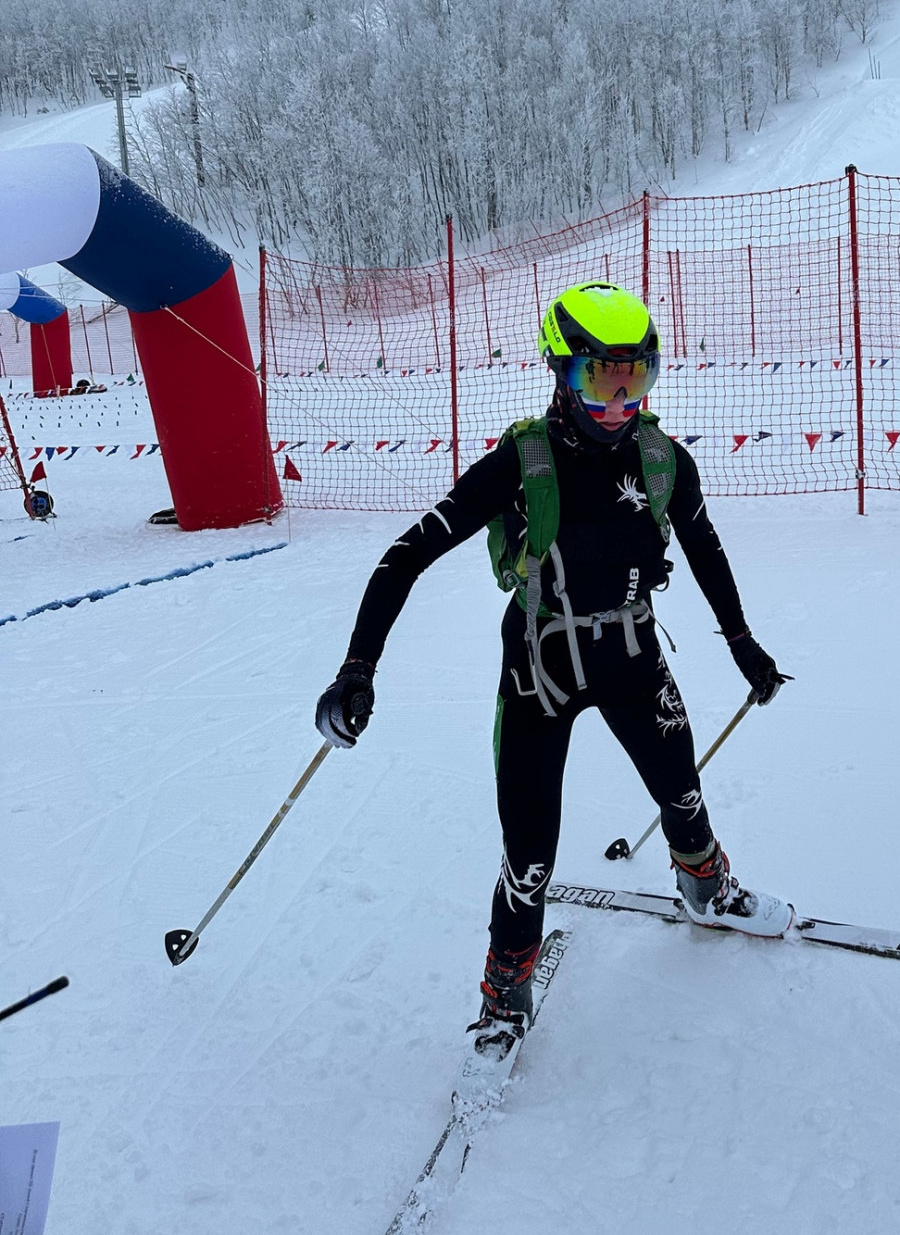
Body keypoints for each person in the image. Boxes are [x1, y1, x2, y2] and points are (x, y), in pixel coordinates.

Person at [314, 281, 789, 1048]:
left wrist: (741, 643)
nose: (620, 400)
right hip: (541, 669)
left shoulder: (664, 460)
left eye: (637, 376)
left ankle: (705, 888)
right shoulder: (520, 463)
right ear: (560, 371)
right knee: (529, 851)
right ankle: (506, 986)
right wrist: (358, 666)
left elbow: (705, 548)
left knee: (683, 793)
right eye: (601, 377)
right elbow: (406, 557)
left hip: (633, 655)